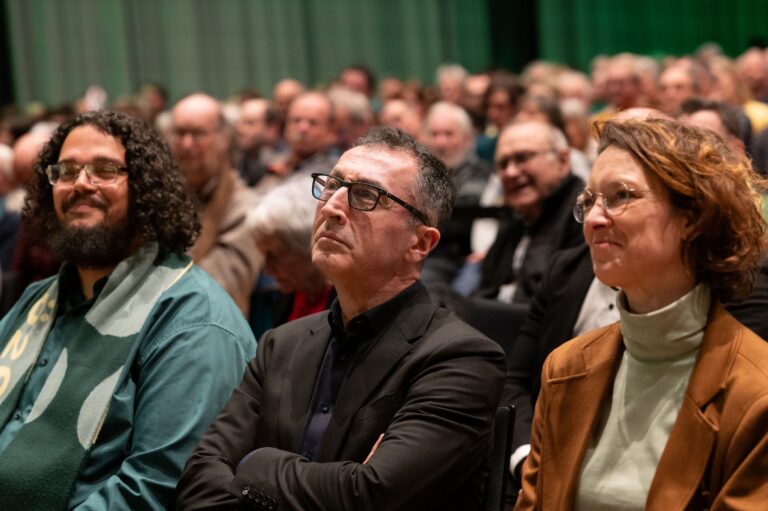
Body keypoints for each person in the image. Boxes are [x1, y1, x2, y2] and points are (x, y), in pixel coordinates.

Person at [177, 127, 506, 510]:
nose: (331, 206)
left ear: (420, 243)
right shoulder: (278, 345)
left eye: (366, 195)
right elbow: (197, 482)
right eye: (331, 185)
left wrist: (256, 463)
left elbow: (370, 495)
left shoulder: (462, 359)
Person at [0, 110, 256, 510]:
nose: (81, 184)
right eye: (66, 171)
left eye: (104, 170)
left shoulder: (193, 321)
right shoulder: (39, 299)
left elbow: (156, 488)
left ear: (146, 188)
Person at [516, 118, 768, 509]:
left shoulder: (757, 393)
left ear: (693, 218)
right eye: (589, 201)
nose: (596, 219)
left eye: (621, 196)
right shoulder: (564, 368)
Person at [171, 93, 262, 314]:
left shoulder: (245, 207)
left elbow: (221, 289)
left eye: (198, 134)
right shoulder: (165, 198)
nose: (187, 143)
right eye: (180, 133)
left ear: (223, 140)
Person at [474, 121, 584, 303]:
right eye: (503, 164)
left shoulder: (583, 215)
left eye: (522, 158)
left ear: (563, 161)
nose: (510, 172)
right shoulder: (517, 215)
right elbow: (486, 288)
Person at [247, 178, 333, 329]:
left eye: (273, 256)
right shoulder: (287, 296)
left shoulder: (345, 305)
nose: (267, 270)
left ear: (309, 246)